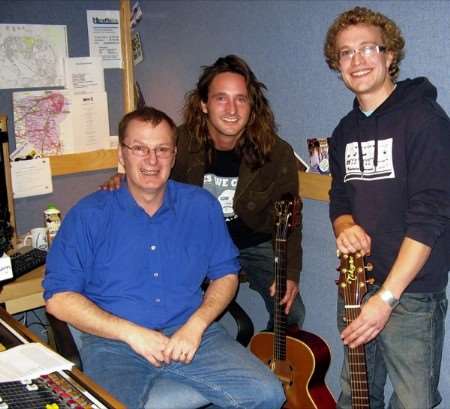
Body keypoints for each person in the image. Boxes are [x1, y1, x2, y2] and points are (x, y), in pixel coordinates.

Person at [43, 107, 285, 409]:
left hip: (192, 334)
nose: (151, 160)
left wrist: (196, 326)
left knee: (269, 393)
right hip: (115, 344)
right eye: (139, 149)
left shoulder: (201, 207)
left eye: (161, 149)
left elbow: (226, 273)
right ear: (121, 155)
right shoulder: (88, 215)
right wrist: (132, 334)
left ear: (174, 155)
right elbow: (59, 298)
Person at [103, 55, 305, 331]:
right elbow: (150, 176)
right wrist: (125, 179)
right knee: (169, 304)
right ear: (203, 104)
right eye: (221, 98)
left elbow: (290, 219)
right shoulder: (179, 143)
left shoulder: (276, 152)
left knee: (291, 313)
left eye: (241, 99)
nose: (232, 109)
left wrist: (290, 273)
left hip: (253, 242)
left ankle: (266, 361)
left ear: (252, 106)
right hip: (194, 242)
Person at [324, 6, 450, 409]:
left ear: (389, 55)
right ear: (337, 63)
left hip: (411, 295)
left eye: (368, 49)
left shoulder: (425, 119)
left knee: (414, 402)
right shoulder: (344, 131)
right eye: (346, 53)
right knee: (357, 394)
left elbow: (430, 215)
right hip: (356, 285)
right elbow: (339, 196)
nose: (357, 61)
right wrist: (343, 224)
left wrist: (388, 298)